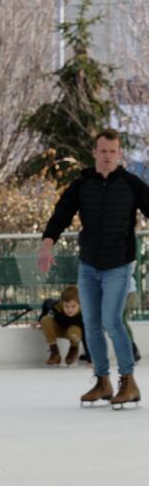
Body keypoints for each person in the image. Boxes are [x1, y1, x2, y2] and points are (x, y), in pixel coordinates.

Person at [39, 128, 149, 409]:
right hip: (89, 265)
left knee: (112, 321)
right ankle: (102, 381)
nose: (108, 156)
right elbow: (61, 213)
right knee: (91, 324)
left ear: (119, 154)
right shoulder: (82, 184)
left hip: (119, 265)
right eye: (103, 151)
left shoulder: (131, 183)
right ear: (95, 153)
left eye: (113, 151)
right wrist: (47, 242)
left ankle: (128, 380)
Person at [40, 286, 84, 367]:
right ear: (62, 303)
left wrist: (90, 359)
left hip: (73, 332)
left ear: (79, 304)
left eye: (73, 306)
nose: (70, 310)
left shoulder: (83, 314)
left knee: (75, 330)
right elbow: (46, 302)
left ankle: (73, 349)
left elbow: (86, 337)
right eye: (66, 306)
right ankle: (55, 352)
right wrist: (40, 319)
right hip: (59, 329)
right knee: (45, 320)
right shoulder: (56, 306)